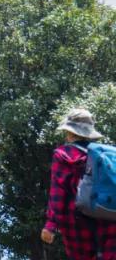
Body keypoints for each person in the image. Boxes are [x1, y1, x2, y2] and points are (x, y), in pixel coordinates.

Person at [41, 108, 116, 260]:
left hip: (78, 224)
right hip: (110, 219)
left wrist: (51, 225)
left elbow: (58, 193)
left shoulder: (63, 154)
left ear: (70, 133)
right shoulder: (107, 155)